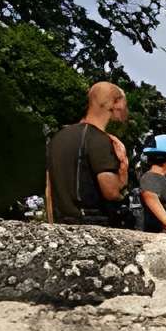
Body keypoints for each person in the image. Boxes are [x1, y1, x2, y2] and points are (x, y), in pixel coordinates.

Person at [43, 81, 135, 227]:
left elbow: (49, 189)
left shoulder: (58, 138)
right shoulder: (99, 139)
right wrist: (123, 172)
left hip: (60, 224)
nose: (125, 113)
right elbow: (110, 191)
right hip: (91, 224)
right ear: (114, 104)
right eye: (124, 106)